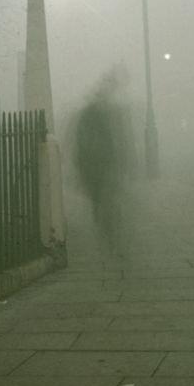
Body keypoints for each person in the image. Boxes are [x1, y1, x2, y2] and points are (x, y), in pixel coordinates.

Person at [74, 65, 134, 253]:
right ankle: (108, 228)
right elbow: (85, 140)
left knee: (105, 197)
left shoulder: (102, 114)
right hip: (96, 164)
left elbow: (117, 139)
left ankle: (110, 229)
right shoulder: (93, 115)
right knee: (101, 198)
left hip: (102, 164)